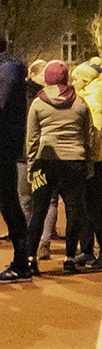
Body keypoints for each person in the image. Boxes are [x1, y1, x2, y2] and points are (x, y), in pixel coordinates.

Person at [24, 60, 93, 274]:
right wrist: (88, 164)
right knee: (74, 211)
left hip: (45, 161)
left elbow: (32, 138)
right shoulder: (80, 103)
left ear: (46, 78)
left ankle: (30, 257)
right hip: (74, 161)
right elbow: (88, 136)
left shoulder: (38, 103)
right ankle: (70, 257)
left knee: (39, 210)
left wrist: (31, 166)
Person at [71, 58, 102, 269]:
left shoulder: (94, 101)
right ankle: (88, 250)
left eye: (77, 78)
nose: (73, 82)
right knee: (88, 206)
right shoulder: (90, 95)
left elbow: (95, 133)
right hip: (93, 158)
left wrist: (86, 157)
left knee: (95, 207)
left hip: (94, 160)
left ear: (86, 80)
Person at [16, 58, 59, 261]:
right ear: (32, 75)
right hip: (37, 154)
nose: (46, 78)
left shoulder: (23, 97)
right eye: (43, 74)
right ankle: (37, 240)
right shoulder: (38, 99)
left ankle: (40, 242)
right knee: (34, 199)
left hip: (30, 154)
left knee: (39, 199)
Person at [0, 41, 32, 282]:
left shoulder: (7, 71)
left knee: (10, 204)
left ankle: (23, 262)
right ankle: (23, 261)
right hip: (6, 148)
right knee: (9, 204)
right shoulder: (9, 70)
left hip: (3, 149)